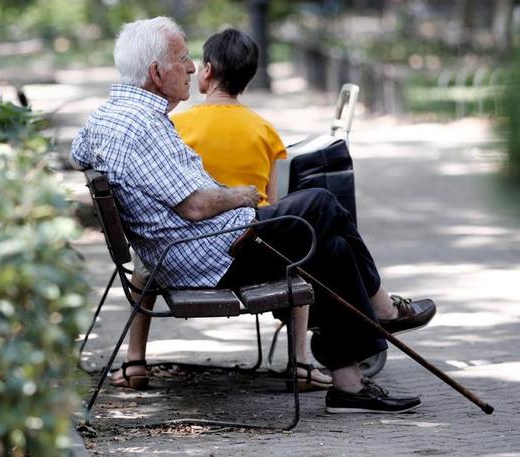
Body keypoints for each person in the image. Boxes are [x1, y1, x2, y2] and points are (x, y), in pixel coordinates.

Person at [71, 17, 436, 413]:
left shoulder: (107, 117)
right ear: (157, 72)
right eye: (183, 59)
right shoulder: (142, 126)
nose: (192, 68)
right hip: (209, 256)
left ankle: (348, 385)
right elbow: (193, 206)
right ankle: (383, 309)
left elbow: (79, 153)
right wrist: (241, 196)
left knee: (330, 247)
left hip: (199, 248)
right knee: (322, 202)